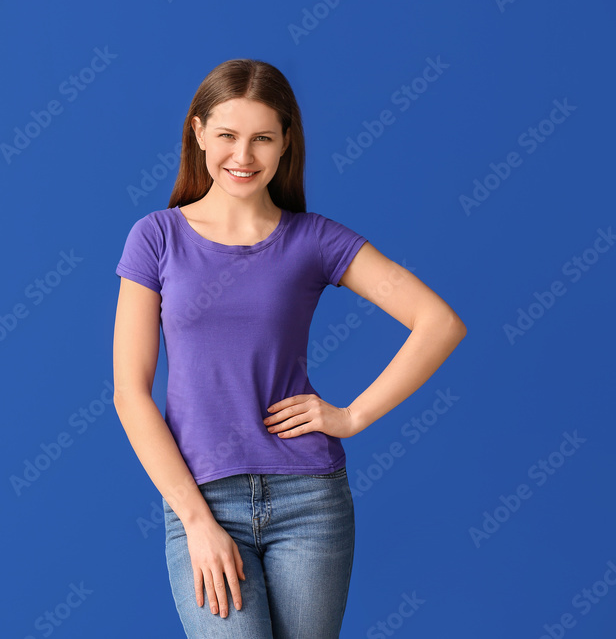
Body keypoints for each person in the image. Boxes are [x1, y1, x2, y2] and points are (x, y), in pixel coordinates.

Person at [111, 58, 467, 638]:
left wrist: (351, 415)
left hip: (310, 500)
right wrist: (197, 522)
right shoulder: (156, 237)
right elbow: (131, 394)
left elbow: (439, 322)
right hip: (203, 499)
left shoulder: (315, 239)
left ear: (285, 144)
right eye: (227, 135)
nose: (243, 156)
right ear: (198, 132)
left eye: (262, 139)